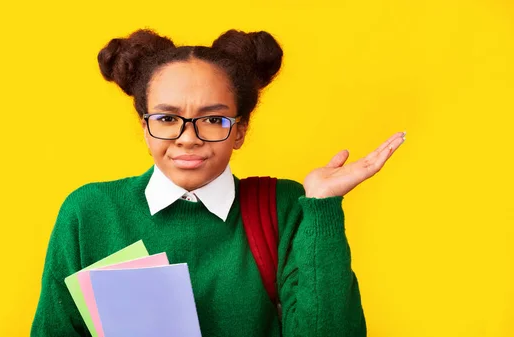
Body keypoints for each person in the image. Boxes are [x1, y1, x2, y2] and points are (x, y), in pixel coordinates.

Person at [31, 28, 405, 337]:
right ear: (144, 128)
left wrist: (322, 206)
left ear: (239, 130)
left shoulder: (285, 206)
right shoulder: (91, 212)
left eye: (213, 120)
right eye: (166, 118)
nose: (188, 137)